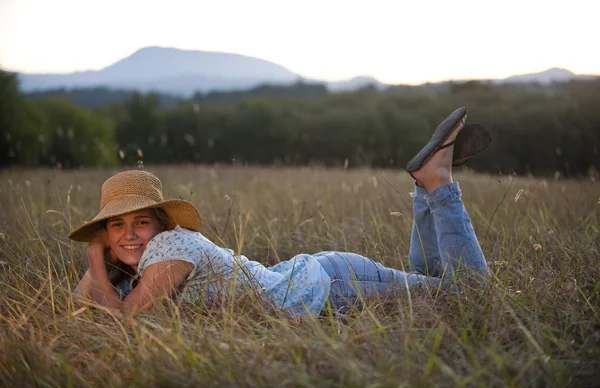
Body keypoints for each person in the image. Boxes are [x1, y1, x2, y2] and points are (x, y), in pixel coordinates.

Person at [70, 107, 491, 316]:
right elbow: (79, 316)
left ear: (160, 223)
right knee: (439, 286)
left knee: (468, 294)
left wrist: (93, 258)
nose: (129, 234)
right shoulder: (134, 264)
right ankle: (426, 185)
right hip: (319, 277)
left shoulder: (170, 246)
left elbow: (122, 323)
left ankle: (438, 182)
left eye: (140, 221)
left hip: (332, 286)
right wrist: (103, 264)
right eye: (116, 225)